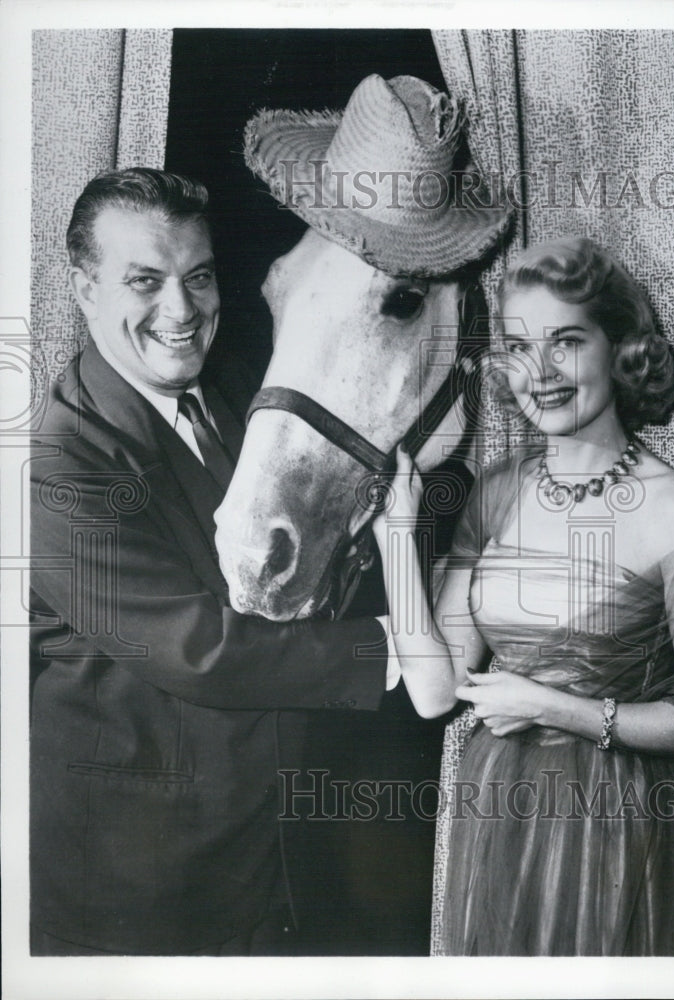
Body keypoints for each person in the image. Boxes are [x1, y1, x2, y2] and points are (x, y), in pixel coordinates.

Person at [28, 167, 397, 956]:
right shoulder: (56, 460)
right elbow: (201, 651)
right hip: (139, 887)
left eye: (197, 277)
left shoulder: (233, 391)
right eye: (145, 281)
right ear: (83, 289)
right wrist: (398, 649)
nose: (181, 310)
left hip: (268, 862)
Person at [373, 236, 674, 956]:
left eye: (565, 341)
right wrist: (396, 536)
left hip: (623, 823)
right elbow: (432, 692)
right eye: (518, 346)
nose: (537, 373)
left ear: (621, 349)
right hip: (497, 819)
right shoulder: (495, 488)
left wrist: (552, 708)